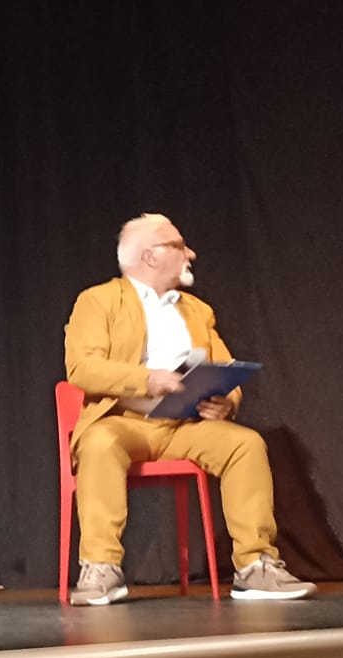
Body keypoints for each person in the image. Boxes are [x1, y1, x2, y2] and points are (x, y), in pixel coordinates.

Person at [62, 213, 316, 604]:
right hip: (123, 422)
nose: (190, 253)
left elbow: (224, 365)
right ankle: (100, 569)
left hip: (185, 425)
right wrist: (148, 379)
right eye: (179, 245)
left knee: (245, 444)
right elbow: (82, 368)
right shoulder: (99, 301)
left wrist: (225, 401)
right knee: (98, 444)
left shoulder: (197, 310)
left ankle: (255, 567)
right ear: (150, 256)